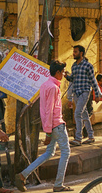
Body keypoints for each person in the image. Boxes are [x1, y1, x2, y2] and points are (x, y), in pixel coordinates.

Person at [15, 61, 71, 192]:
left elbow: (45, 110)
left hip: (52, 125)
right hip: (56, 125)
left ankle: (23, 175)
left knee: (49, 153)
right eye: (62, 72)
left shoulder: (46, 85)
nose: (63, 74)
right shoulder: (53, 87)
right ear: (57, 73)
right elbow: (49, 110)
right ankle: (58, 184)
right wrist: (48, 132)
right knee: (66, 152)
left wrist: (47, 130)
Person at [66, 45, 102, 146]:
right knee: (84, 114)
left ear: (81, 53)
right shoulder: (74, 66)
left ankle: (78, 138)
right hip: (76, 93)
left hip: (85, 92)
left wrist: (97, 94)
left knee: (77, 113)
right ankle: (91, 136)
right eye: (73, 52)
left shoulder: (88, 66)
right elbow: (72, 79)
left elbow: (93, 81)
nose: (74, 53)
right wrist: (66, 76)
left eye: (76, 52)